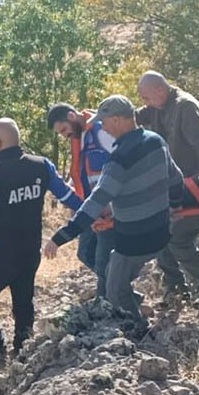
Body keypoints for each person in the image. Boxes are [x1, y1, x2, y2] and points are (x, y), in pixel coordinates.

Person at [43, 96, 182, 337]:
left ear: (117, 120)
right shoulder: (156, 141)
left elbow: (95, 203)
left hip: (133, 239)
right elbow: (176, 178)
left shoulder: (118, 159)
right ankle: (134, 317)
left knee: (113, 286)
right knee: (106, 270)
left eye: (105, 122)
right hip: (160, 229)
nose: (102, 127)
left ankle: (135, 334)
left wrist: (60, 237)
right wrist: (174, 207)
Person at [0, 118, 83, 368]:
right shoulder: (42, 166)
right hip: (30, 252)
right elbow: (67, 195)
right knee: (23, 300)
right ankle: (23, 347)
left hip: (1, 255)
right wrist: (90, 211)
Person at [136, 70, 199, 301]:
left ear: (160, 90)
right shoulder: (158, 105)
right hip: (174, 189)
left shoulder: (186, 107)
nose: (145, 103)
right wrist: (97, 117)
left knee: (178, 240)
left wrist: (198, 190)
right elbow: (133, 116)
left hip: (196, 188)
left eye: (146, 97)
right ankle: (176, 288)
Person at [46, 103, 117, 297]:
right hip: (90, 210)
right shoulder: (79, 136)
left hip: (108, 211)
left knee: (102, 261)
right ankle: (122, 293)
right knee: (85, 253)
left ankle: (111, 305)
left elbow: (122, 163)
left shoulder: (101, 130)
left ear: (71, 116)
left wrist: (114, 205)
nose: (64, 135)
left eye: (64, 130)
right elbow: (83, 172)